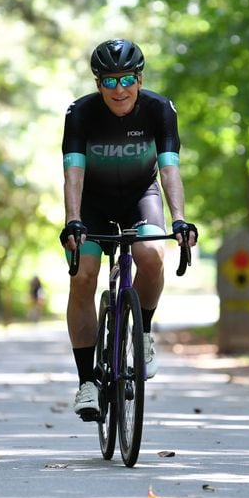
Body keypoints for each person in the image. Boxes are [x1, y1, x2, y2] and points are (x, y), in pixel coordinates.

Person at [59, 38, 198, 420]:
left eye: (126, 80)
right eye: (109, 82)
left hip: (141, 195)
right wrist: (73, 220)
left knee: (151, 254)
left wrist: (180, 218)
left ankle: (144, 335)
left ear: (138, 79)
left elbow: (169, 169)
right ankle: (87, 381)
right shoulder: (81, 113)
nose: (118, 90)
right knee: (84, 276)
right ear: (97, 83)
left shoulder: (159, 109)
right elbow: (73, 172)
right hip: (93, 203)